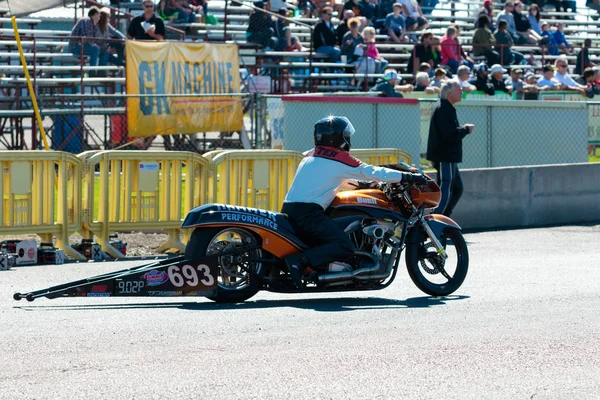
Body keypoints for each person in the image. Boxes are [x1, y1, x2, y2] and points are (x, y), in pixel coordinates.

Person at [281, 116, 426, 288]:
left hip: (290, 210)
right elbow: (372, 171)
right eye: (346, 135)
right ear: (338, 137)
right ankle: (300, 261)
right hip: (309, 214)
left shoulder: (311, 157)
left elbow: (339, 180)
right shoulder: (338, 159)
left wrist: (364, 184)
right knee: (344, 246)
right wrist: (408, 176)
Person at [426, 81, 474, 218]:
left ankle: (445, 218)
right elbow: (450, 134)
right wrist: (466, 129)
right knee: (446, 188)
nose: (462, 92)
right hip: (444, 157)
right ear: (449, 93)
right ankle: (434, 221)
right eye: (459, 89)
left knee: (457, 188)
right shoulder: (443, 108)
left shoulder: (446, 107)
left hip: (449, 157)